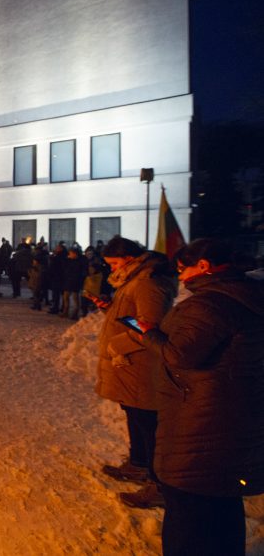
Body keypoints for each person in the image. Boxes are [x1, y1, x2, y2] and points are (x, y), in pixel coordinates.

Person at [137, 239, 264, 555]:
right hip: (231, 414)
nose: (180, 277)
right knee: (221, 500)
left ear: (204, 266)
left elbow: (180, 355)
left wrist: (150, 333)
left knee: (188, 507)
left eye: (183, 269)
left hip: (202, 420)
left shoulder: (210, 304)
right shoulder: (246, 293)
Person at [96, 236, 177, 508]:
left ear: (129, 260)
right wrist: (111, 309)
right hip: (129, 365)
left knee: (147, 422)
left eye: (114, 263)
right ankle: (139, 463)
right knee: (135, 415)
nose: (111, 269)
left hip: (140, 365)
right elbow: (135, 319)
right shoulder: (133, 280)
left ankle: (159, 484)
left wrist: (115, 343)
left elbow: (151, 326)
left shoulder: (146, 283)